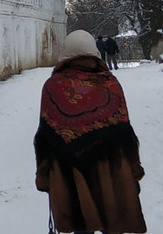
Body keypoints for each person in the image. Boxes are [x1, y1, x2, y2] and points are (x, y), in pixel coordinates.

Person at [35, 30, 146, 234]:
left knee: (81, 226)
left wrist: (44, 175)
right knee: (113, 224)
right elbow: (125, 133)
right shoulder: (110, 83)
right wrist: (133, 168)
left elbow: (44, 138)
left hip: (72, 177)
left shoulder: (53, 86)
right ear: (94, 52)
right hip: (112, 173)